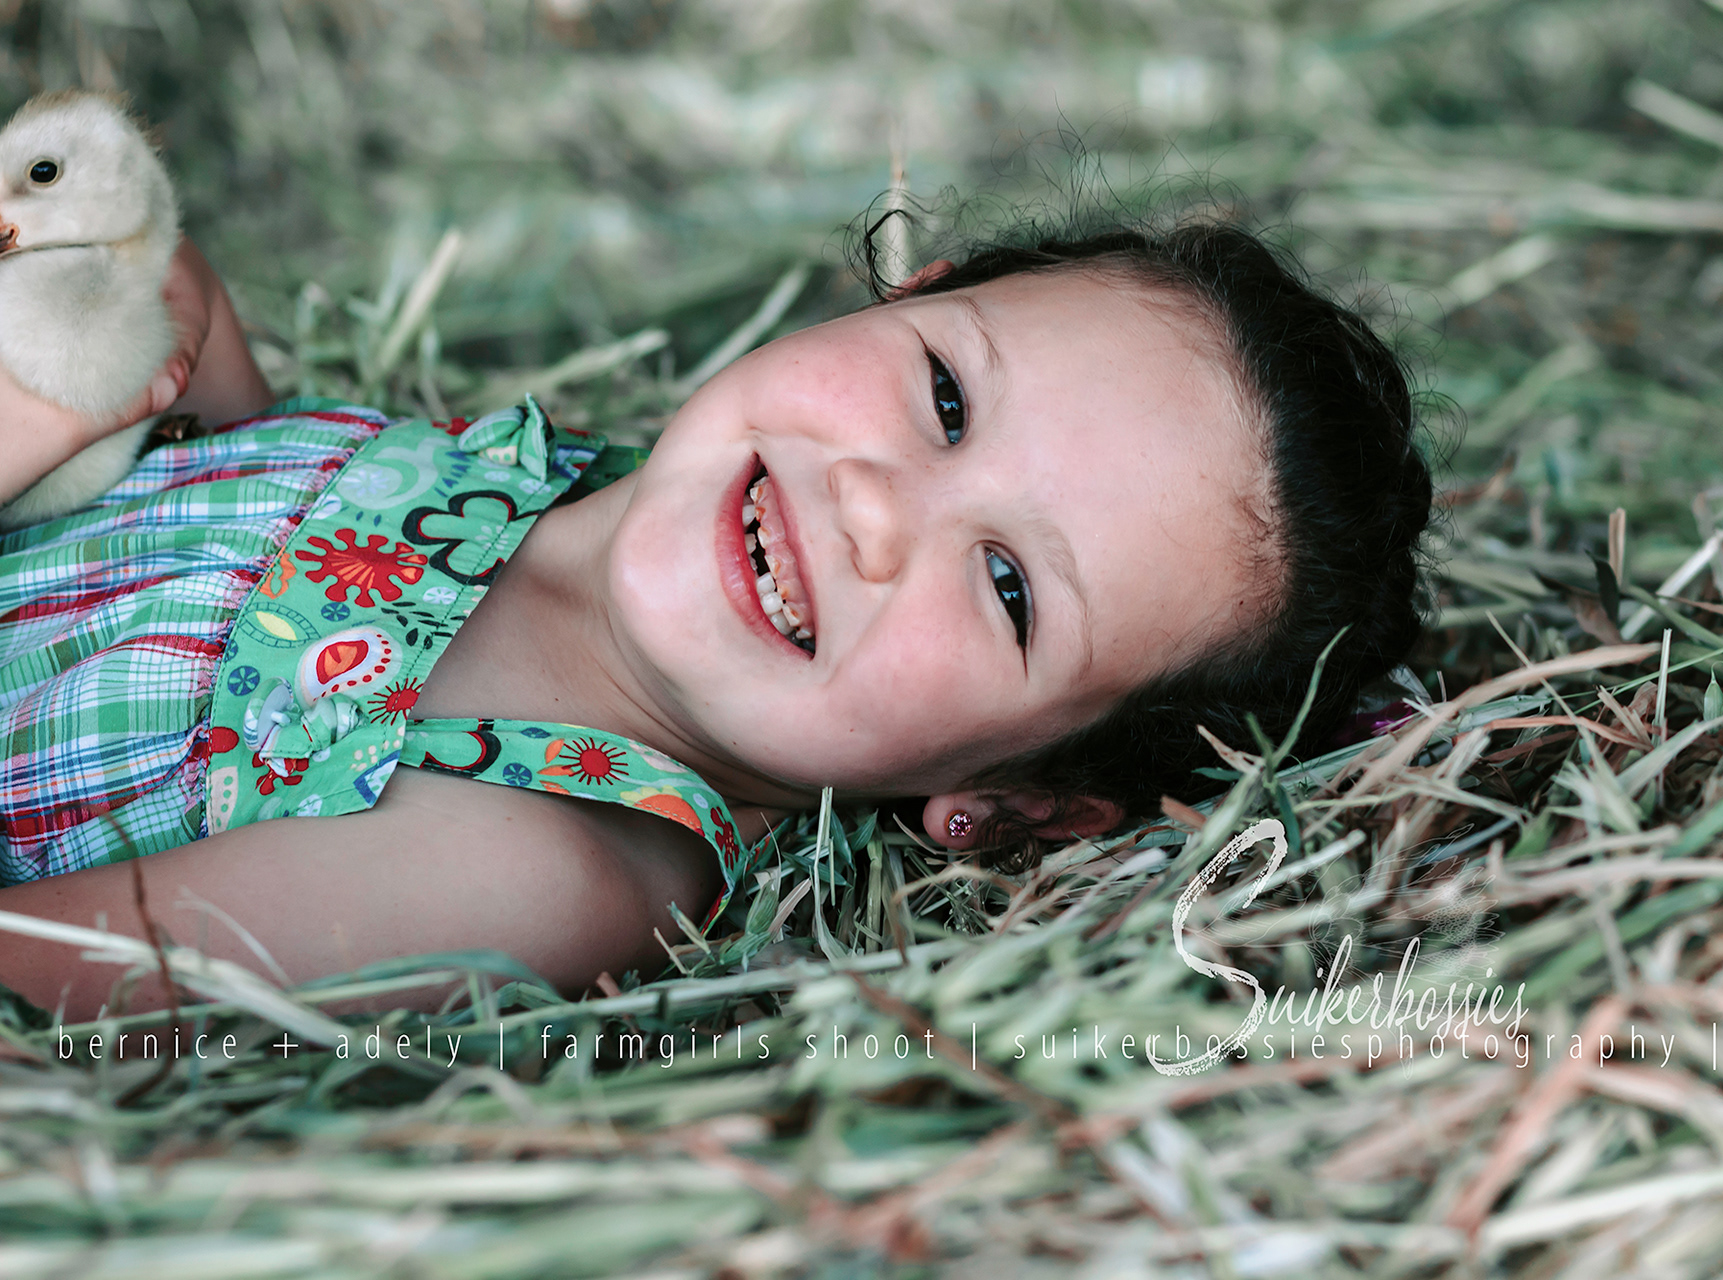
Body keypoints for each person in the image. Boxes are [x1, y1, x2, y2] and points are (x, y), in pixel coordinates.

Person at [0, 212, 1432, 1020]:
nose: (877, 509)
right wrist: (150, 326)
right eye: (942, 396)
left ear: (1020, 799)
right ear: (906, 294)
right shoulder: (501, 484)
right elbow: (202, 543)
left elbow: (43, 986)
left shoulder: (541, 871)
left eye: (1006, 586)